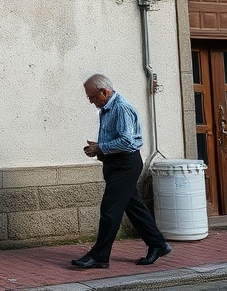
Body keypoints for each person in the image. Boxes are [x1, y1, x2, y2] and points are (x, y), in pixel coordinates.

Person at [70, 73, 172, 269]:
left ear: (104, 92)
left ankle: (99, 256)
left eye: (92, 97)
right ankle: (158, 244)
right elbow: (118, 139)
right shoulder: (107, 107)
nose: (91, 102)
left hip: (125, 164)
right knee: (133, 207)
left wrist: (100, 147)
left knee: (109, 210)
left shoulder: (121, 108)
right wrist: (101, 147)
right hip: (117, 163)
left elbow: (127, 141)